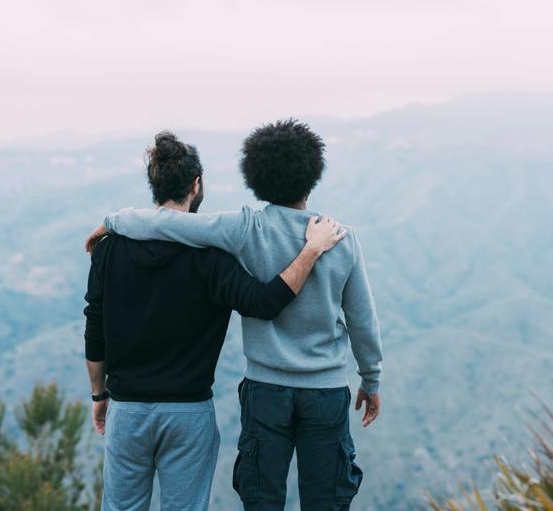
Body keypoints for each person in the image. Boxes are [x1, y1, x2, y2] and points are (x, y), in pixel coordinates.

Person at [86, 119, 383, 511]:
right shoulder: (340, 238)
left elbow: (170, 224)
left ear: (255, 177)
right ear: (312, 178)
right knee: (326, 499)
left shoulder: (245, 229)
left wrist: (114, 221)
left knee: (262, 499)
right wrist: (370, 378)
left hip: (263, 389)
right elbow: (362, 321)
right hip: (323, 390)